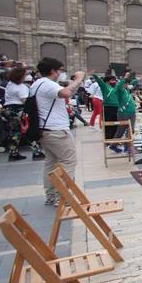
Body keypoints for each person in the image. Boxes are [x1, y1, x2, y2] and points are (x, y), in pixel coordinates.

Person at [33, 58, 84, 206]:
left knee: (51, 163)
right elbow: (66, 93)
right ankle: (63, 196)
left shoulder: (37, 84)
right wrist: (78, 79)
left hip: (45, 129)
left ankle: (51, 195)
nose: (61, 73)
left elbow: (64, 92)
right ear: (53, 71)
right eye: (60, 70)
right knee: (68, 161)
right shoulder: (48, 84)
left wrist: (75, 83)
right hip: (56, 130)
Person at [2, 66, 44, 161]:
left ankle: (13, 153)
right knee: (27, 130)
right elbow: (25, 100)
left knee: (15, 132)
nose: (26, 76)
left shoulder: (10, 84)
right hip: (18, 110)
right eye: (25, 75)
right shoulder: (21, 87)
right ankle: (36, 151)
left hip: (9, 109)